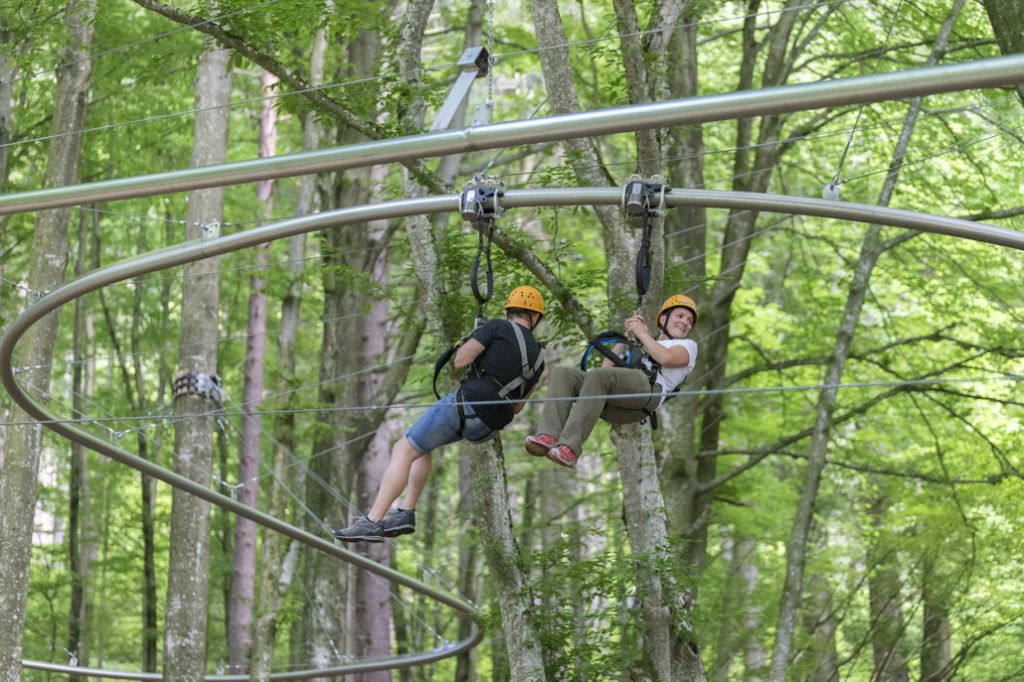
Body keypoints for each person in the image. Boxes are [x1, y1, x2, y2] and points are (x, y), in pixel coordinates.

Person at [333, 285, 546, 542]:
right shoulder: (538, 359)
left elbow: (460, 361)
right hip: (487, 427)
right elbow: (518, 406)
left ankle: (372, 520)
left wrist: (474, 340)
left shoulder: (497, 327)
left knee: (403, 448)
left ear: (509, 310)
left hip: (466, 405)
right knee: (421, 449)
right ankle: (405, 512)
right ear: (535, 317)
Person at [524, 294, 698, 469]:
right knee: (562, 373)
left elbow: (666, 358)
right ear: (663, 318)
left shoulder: (688, 346)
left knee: (598, 376)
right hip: (614, 400)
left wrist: (642, 334)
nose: (685, 322)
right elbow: (606, 368)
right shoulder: (646, 343)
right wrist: (627, 336)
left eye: (690, 321)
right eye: (680, 316)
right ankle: (547, 436)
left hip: (649, 391)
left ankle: (569, 447)